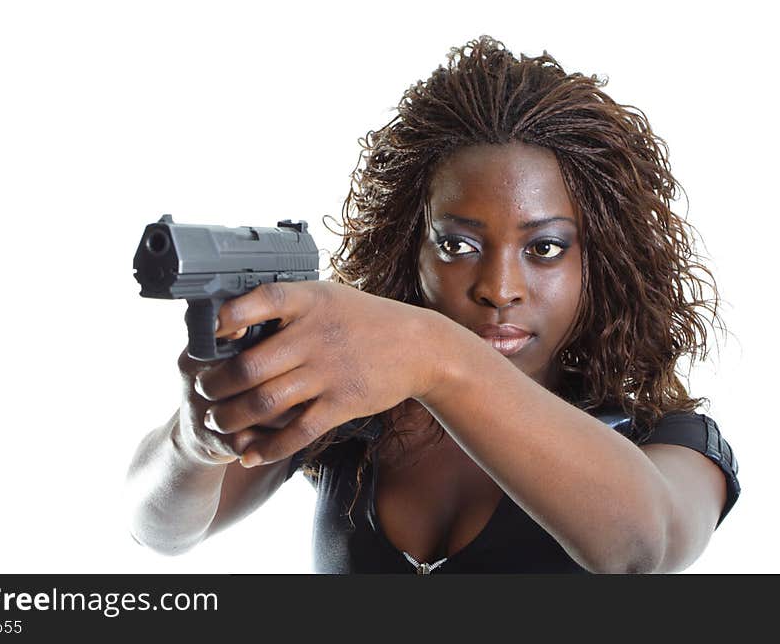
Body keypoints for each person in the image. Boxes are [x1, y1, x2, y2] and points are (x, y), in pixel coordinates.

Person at [125, 35, 740, 573]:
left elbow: (642, 547)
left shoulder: (667, 443)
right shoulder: (348, 413)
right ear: (409, 248)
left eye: (545, 248)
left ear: (600, 262)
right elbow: (157, 530)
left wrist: (436, 356)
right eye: (457, 244)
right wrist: (196, 440)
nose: (499, 288)